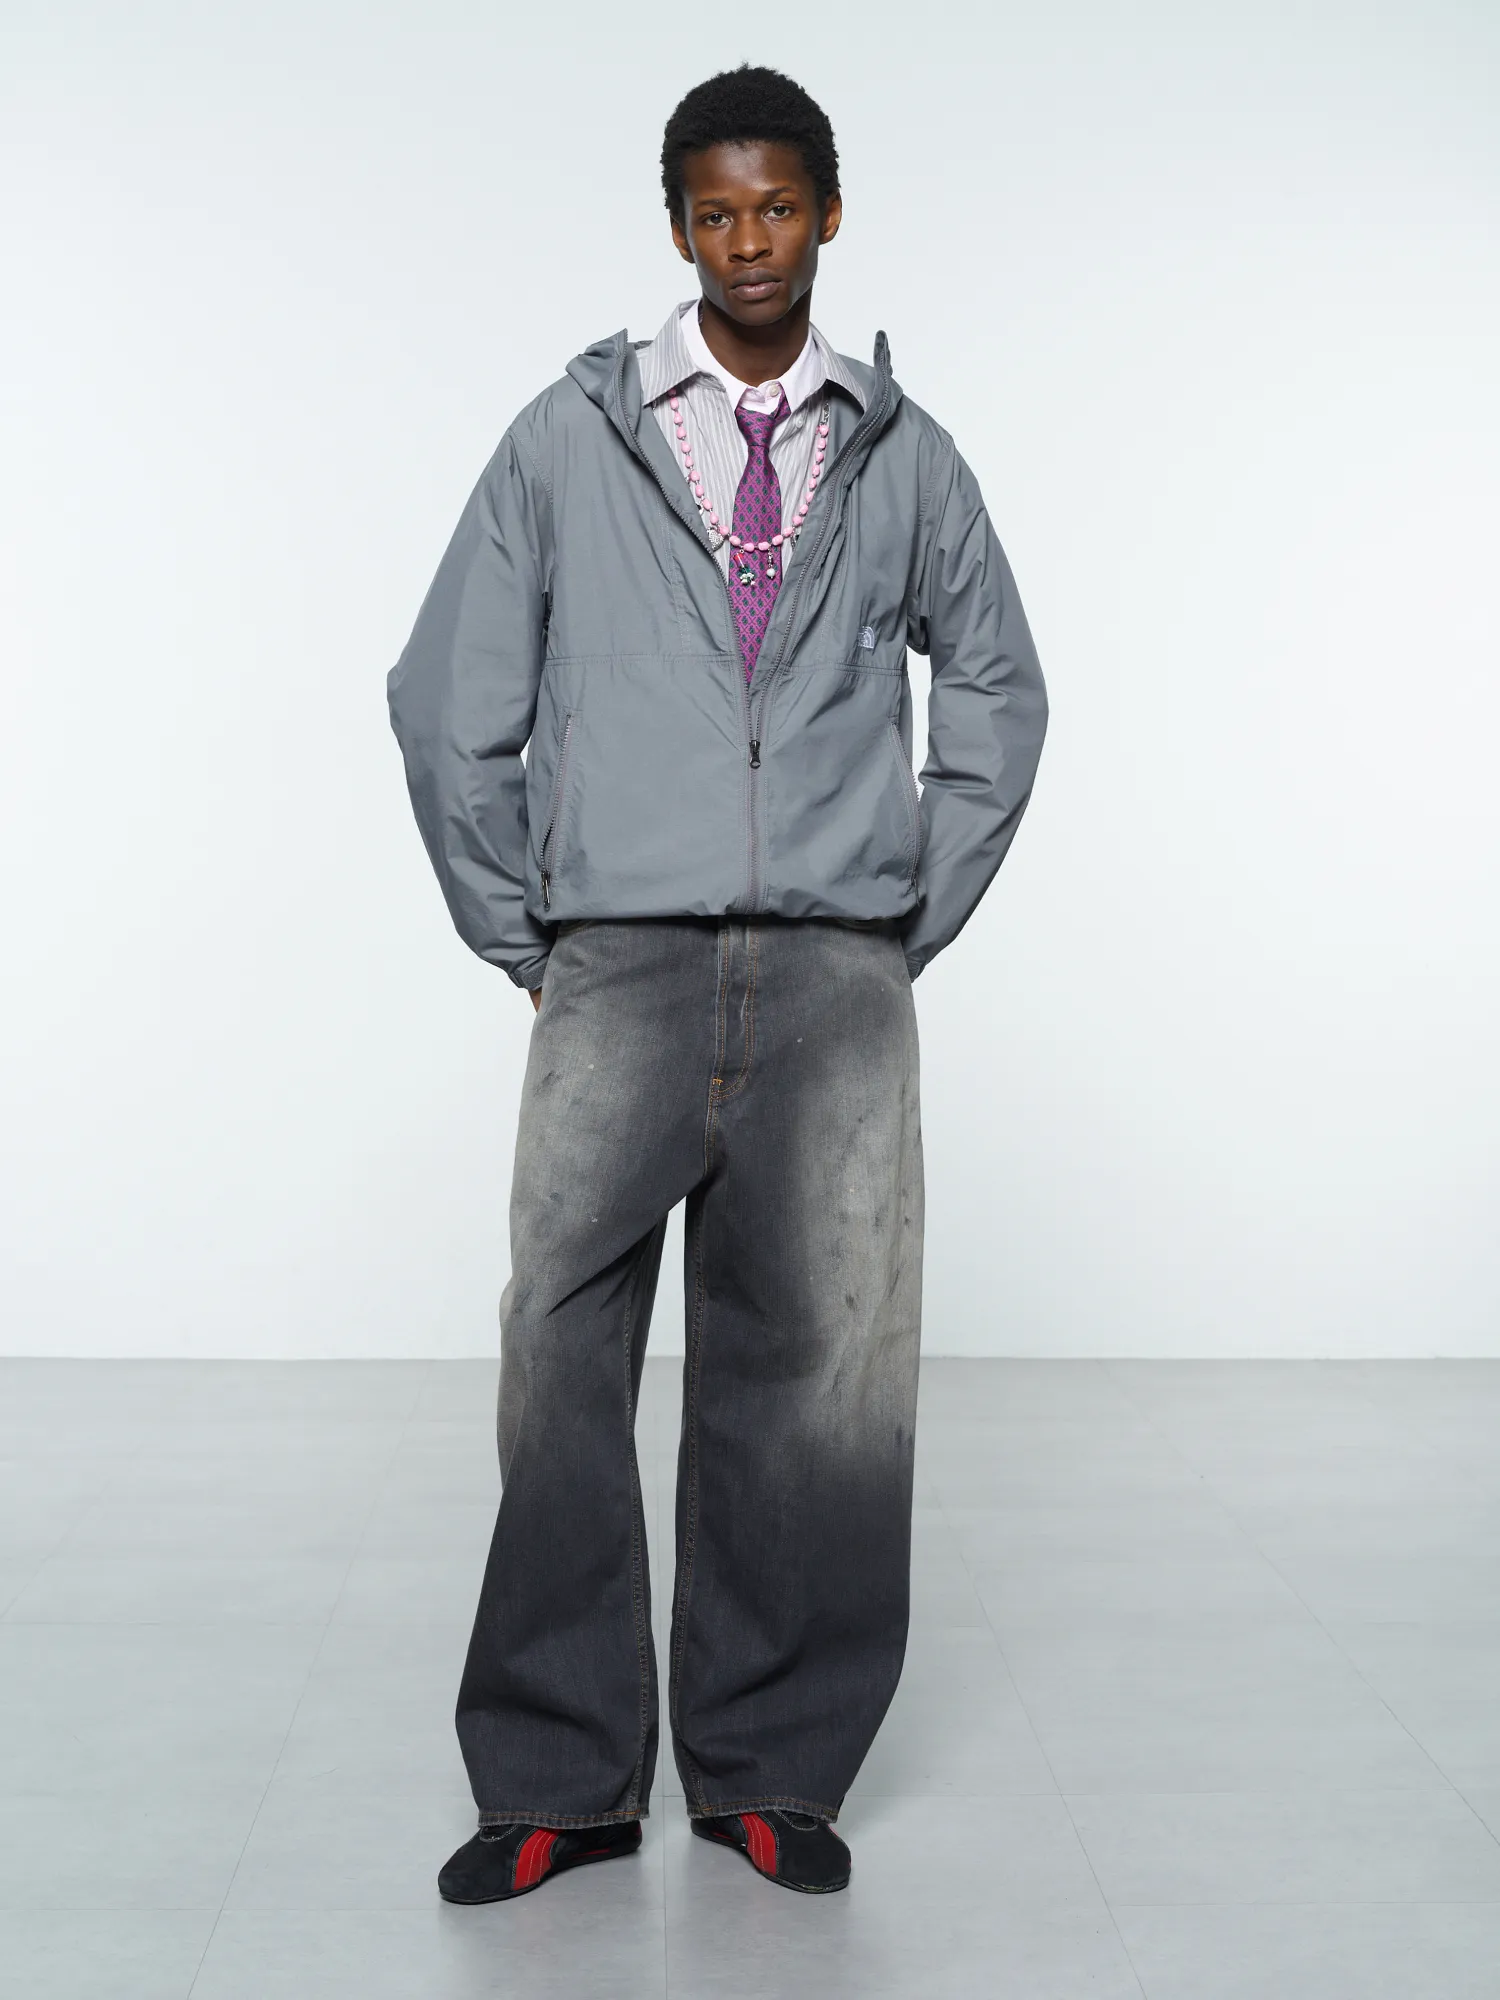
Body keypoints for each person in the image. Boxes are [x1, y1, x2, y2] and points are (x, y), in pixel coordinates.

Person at [386, 63, 1047, 1902]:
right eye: (714, 212)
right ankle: (559, 1781)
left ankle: (770, 1771)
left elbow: (998, 688)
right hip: (621, 963)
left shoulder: (903, 454)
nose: (747, 241)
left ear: (829, 212)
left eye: (777, 206)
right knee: (559, 1355)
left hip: (836, 982)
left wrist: (903, 910)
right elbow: (447, 698)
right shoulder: (573, 436)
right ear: (677, 225)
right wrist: (526, 933)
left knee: (812, 1375)